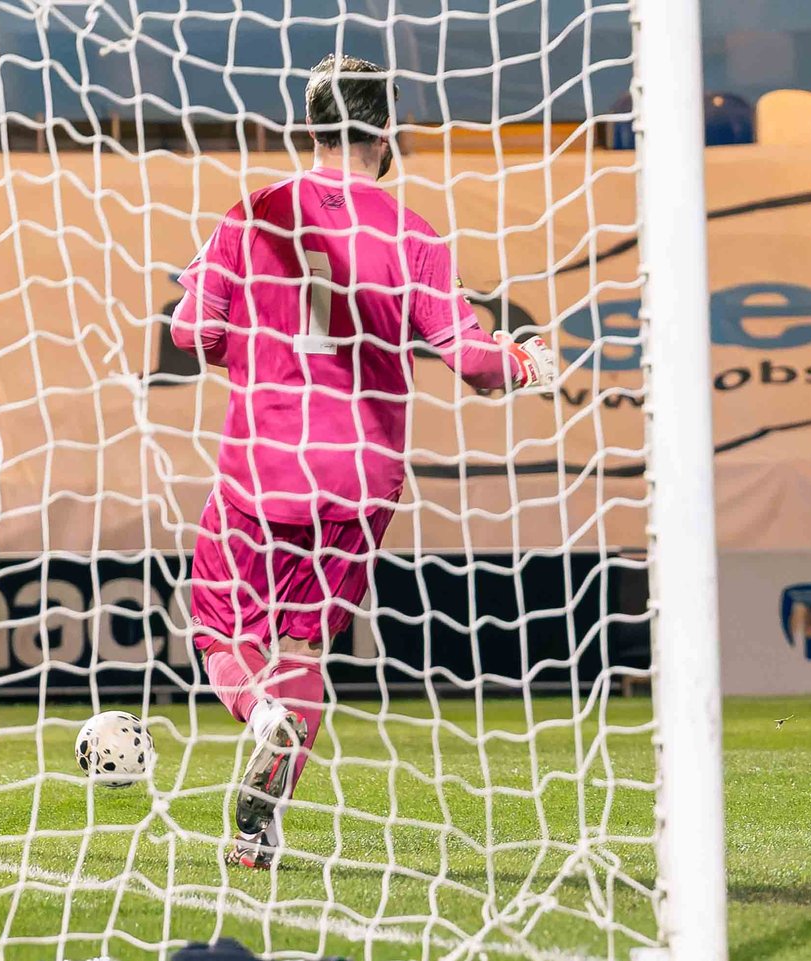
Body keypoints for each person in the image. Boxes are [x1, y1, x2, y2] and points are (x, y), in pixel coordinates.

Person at [170, 54, 557, 868]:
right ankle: (256, 834)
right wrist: (521, 362)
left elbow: (192, 335)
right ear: (388, 134)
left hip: (262, 464)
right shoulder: (414, 237)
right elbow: (473, 362)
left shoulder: (251, 216)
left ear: (312, 127)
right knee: (304, 647)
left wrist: (234, 328)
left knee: (218, 626)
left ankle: (258, 711)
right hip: (362, 476)